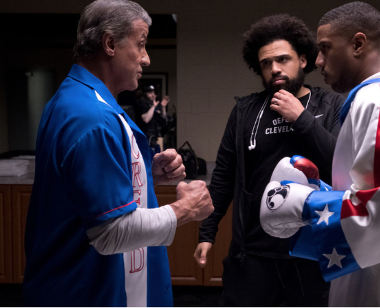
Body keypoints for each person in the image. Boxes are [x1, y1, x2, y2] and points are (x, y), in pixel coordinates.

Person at [259, 2, 380, 306]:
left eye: (325, 48)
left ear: (358, 44)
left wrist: (305, 203)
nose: (318, 61)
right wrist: (323, 192)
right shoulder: (379, 97)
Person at [23, 0, 213, 306]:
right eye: (141, 45)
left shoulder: (75, 99)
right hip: (88, 292)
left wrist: (143, 173)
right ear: (110, 43)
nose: (146, 58)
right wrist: (185, 210)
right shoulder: (92, 117)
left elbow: (82, 190)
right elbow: (111, 232)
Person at [193, 14, 345, 306]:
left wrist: (301, 118)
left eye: (283, 59)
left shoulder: (331, 105)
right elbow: (224, 176)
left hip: (313, 253)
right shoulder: (245, 111)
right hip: (253, 254)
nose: (275, 69)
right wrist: (207, 233)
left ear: (303, 59)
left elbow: (340, 163)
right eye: (266, 63)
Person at [135, 85, 170, 150]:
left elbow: (164, 117)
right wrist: (153, 106)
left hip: (156, 136)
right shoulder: (142, 104)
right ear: (145, 94)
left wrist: (163, 107)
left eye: (153, 92)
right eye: (150, 93)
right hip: (147, 137)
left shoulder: (155, 104)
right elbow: (146, 119)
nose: (153, 95)